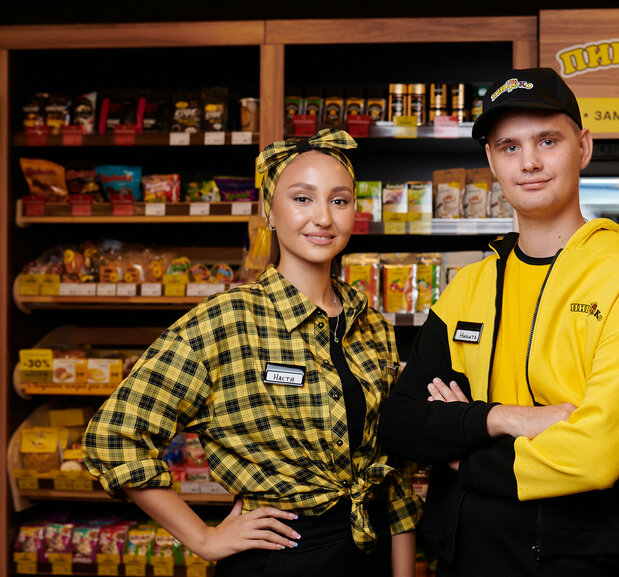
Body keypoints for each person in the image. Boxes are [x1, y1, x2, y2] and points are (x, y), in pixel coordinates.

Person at [83, 128, 421, 577]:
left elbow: (394, 472)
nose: (323, 217)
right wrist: (204, 539)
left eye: (339, 200)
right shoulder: (226, 320)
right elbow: (114, 438)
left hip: (369, 550)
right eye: (302, 198)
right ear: (270, 211)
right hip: (278, 557)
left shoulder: (372, 325)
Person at [379, 67, 619, 576]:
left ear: (583, 147)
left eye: (547, 141)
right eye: (509, 146)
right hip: (465, 558)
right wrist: (502, 419)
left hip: (576, 561)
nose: (530, 162)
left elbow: (595, 455)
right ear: (492, 160)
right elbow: (400, 424)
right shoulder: (467, 287)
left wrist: (464, 453)